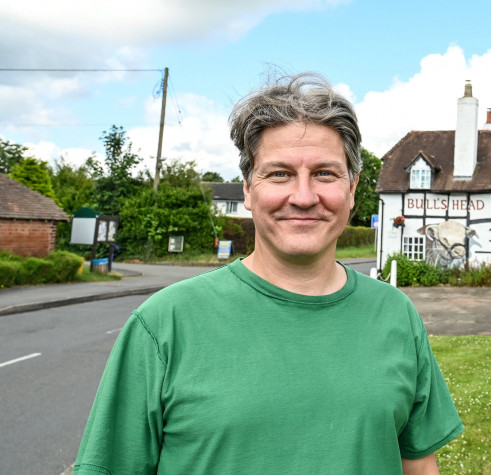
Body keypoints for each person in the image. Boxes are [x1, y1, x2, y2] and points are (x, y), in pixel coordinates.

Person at [74, 73, 463, 475]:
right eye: (279, 174)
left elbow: (419, 467)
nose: (303, 196)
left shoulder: (395, 315)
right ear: (247, 188)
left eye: (325, 174)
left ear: (352, 188)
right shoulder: (164, 324)